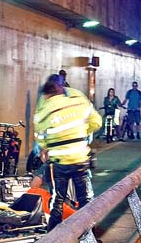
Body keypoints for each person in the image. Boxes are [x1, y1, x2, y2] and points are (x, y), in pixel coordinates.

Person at [34, 76, 101, 231]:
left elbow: (40, 138)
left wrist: (47, 146)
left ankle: (52, 236)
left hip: (60, 162)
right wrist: (82, 134)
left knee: (57, 199)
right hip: (80, 159)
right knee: (84, 199)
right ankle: (91, 234)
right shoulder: (78, 100)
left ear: (47, 94)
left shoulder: (44, 111)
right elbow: (97, 122)